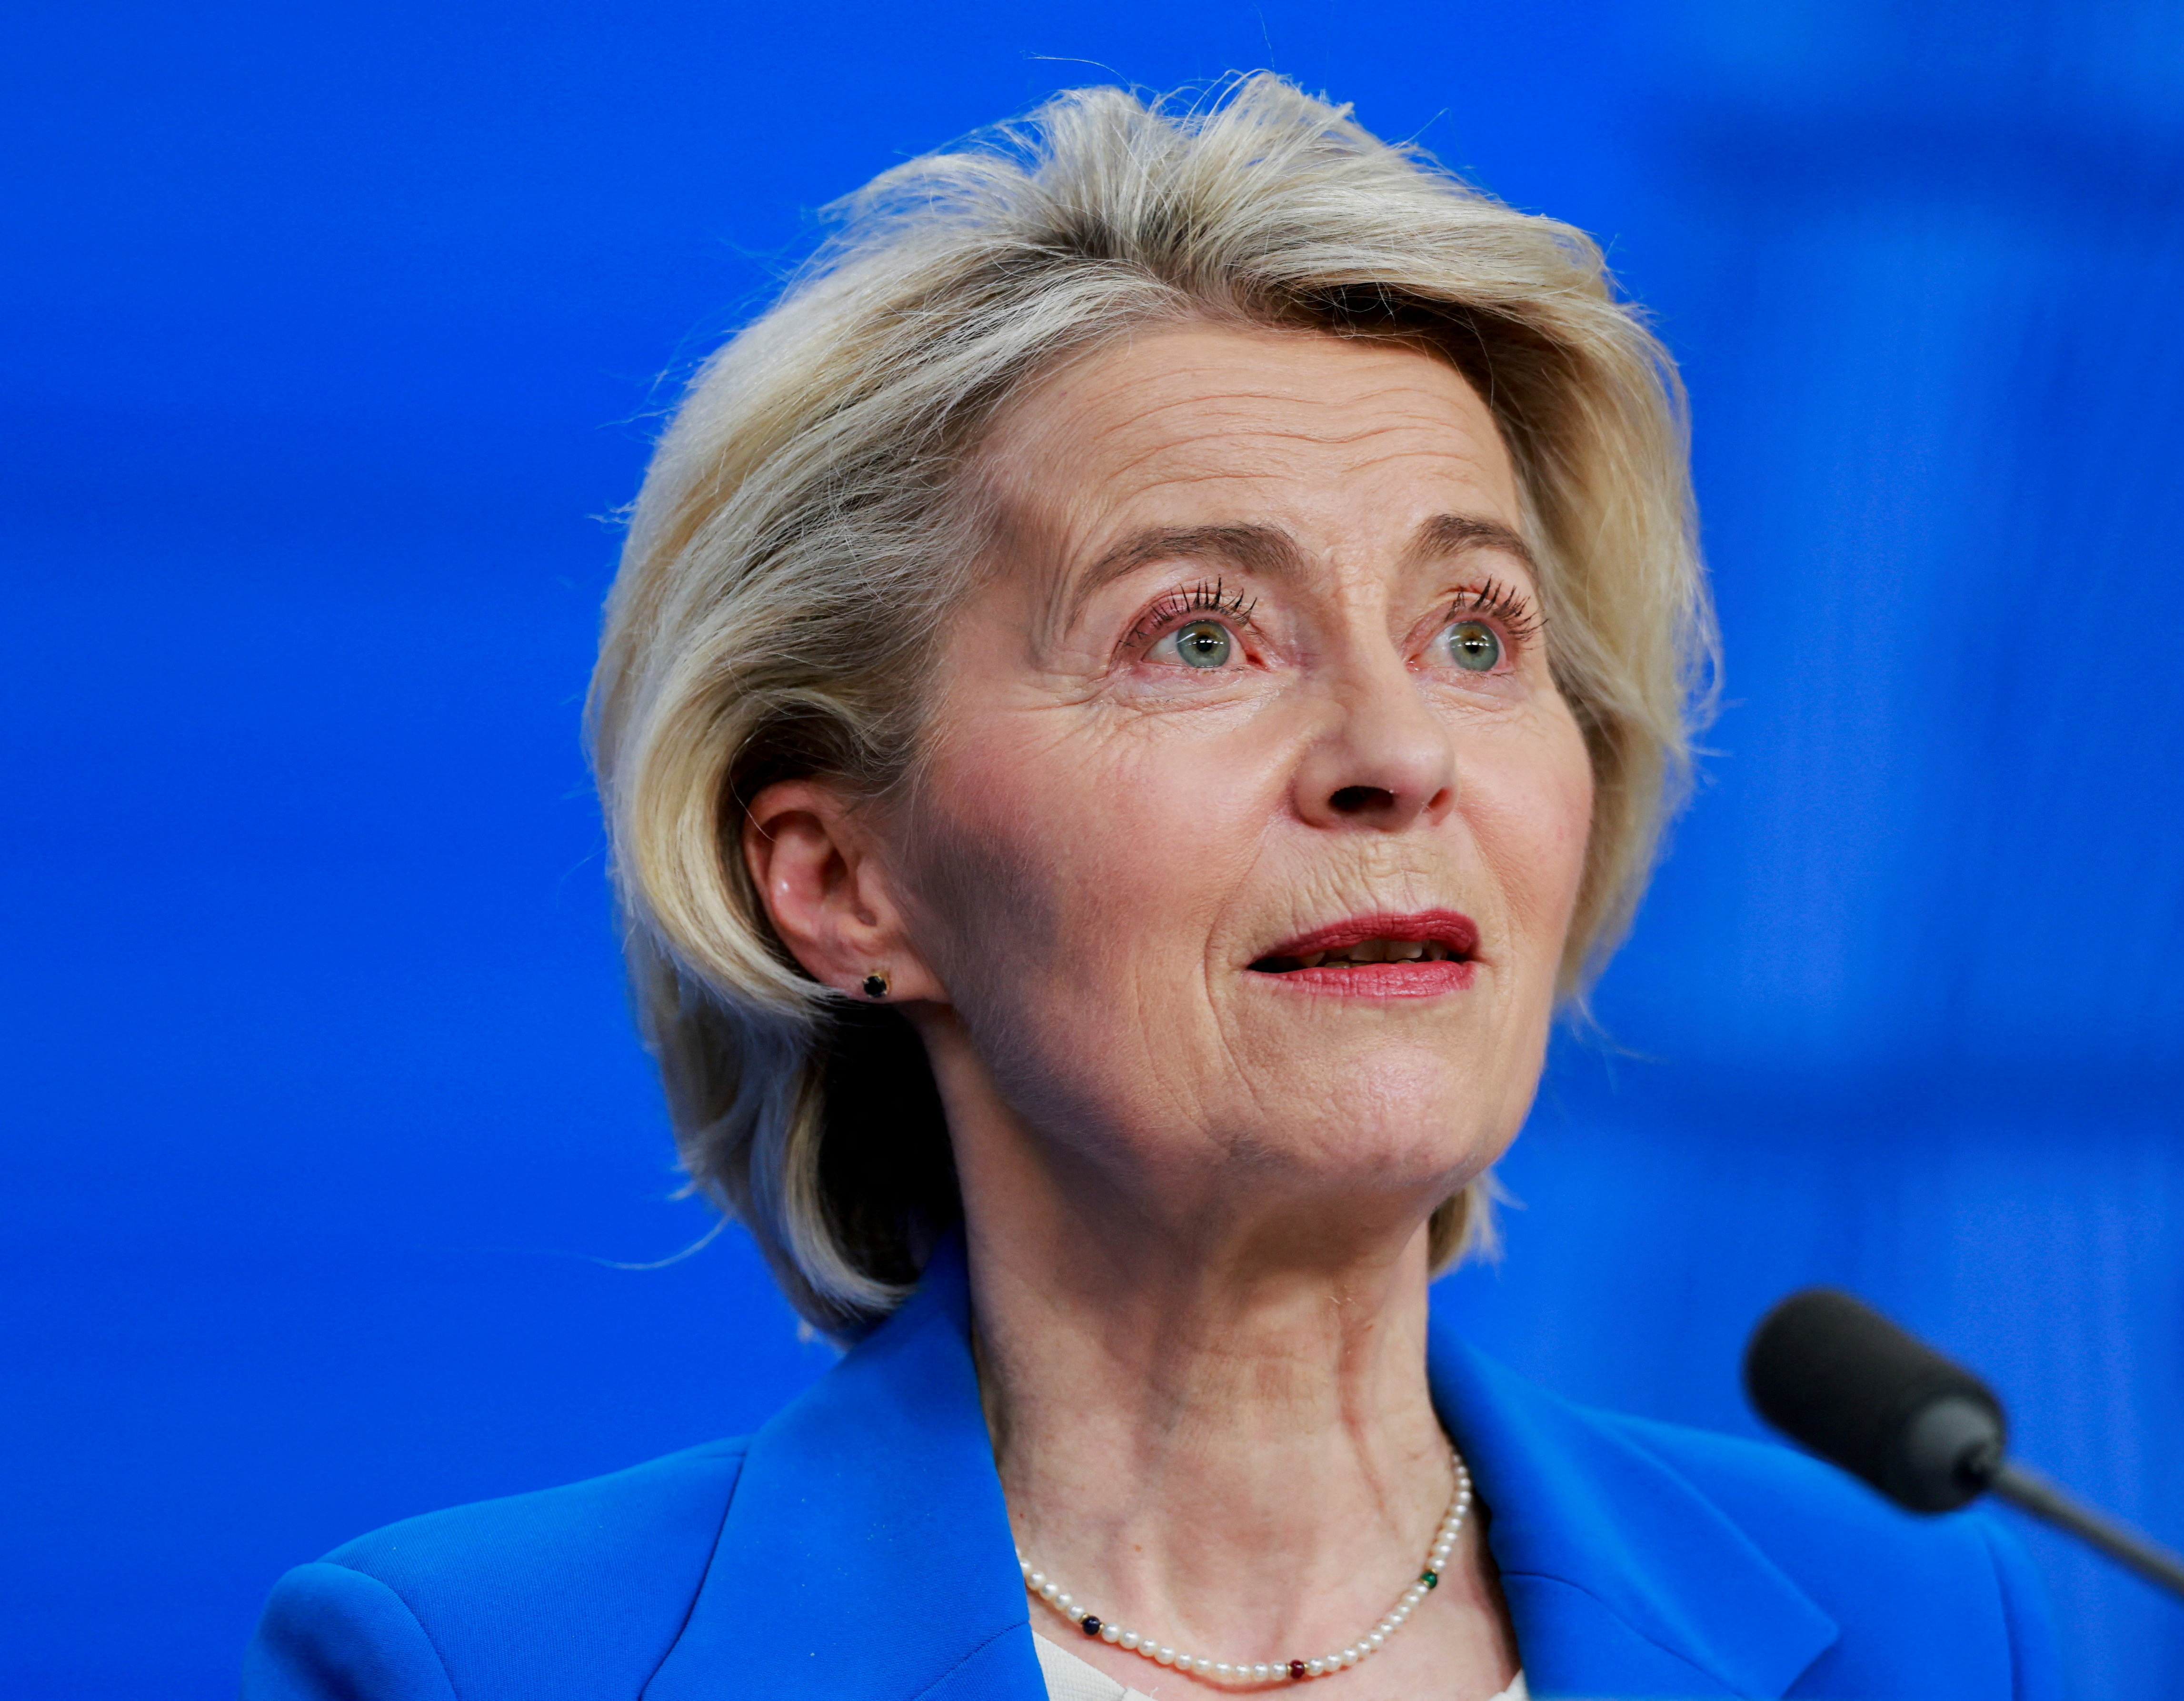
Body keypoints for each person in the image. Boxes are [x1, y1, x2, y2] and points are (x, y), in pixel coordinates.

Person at [243, 74, 2057, 1701]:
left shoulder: (1915, 1634)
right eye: (1198, 633)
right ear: (838, 883)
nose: (1395, 749)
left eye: (1476, 632)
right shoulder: (481, 1668)